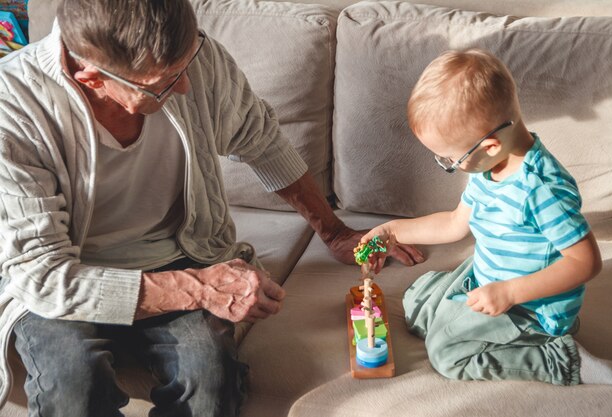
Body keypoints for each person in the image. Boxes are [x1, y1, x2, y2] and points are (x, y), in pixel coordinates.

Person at [0, 1, 424, 416]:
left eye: (188, 63)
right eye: (163, 81)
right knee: (74, 385)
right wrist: (201, 288)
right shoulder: (13, 111)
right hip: (68, 277)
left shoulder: (197, 61)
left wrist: (334, 231)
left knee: (211, 384)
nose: (186, 87)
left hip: (179, 255)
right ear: (90, 77)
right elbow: (45, 278)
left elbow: (261, 141)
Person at [361, 49, 612, 386]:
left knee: (445, 352)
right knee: (418, 299)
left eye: (450, 159)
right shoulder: (488, 167)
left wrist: (510, 293)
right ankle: (465, 319)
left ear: (489, 146)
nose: (449, 166)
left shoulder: (541, 189)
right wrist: (392, 230)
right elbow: (455, 222)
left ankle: (561, 360)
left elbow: (586, 263)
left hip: (530, 307)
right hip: (488, 275)